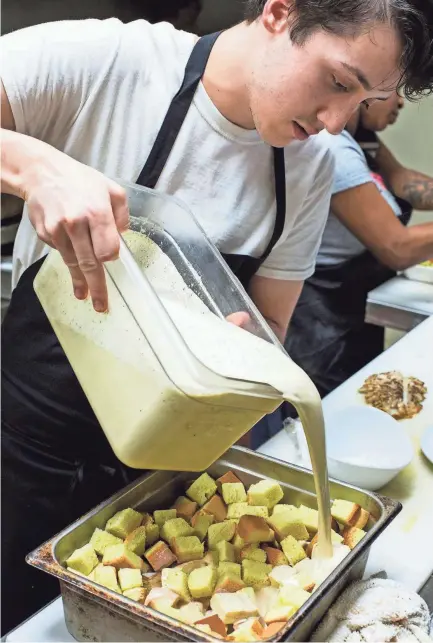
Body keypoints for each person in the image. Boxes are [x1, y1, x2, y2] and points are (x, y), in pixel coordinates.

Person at [1, 0, 433, 632]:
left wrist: (241, 362)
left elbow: (270, 327)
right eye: (338, 82)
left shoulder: (309, 165)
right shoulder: (109, 63)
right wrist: (33, 166)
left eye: (361, 101)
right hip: (24, 445)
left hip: (161, 468)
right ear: (281, 13)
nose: (336, 122)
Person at [285, 90, 433, 398]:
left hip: (355, 295)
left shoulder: (361, 138)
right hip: (322, 314)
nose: (402, 103)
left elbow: (403, 181)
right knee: (332, 408)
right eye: (396, 90)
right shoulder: (332, 146)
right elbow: (397, 247)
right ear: (367, 89)